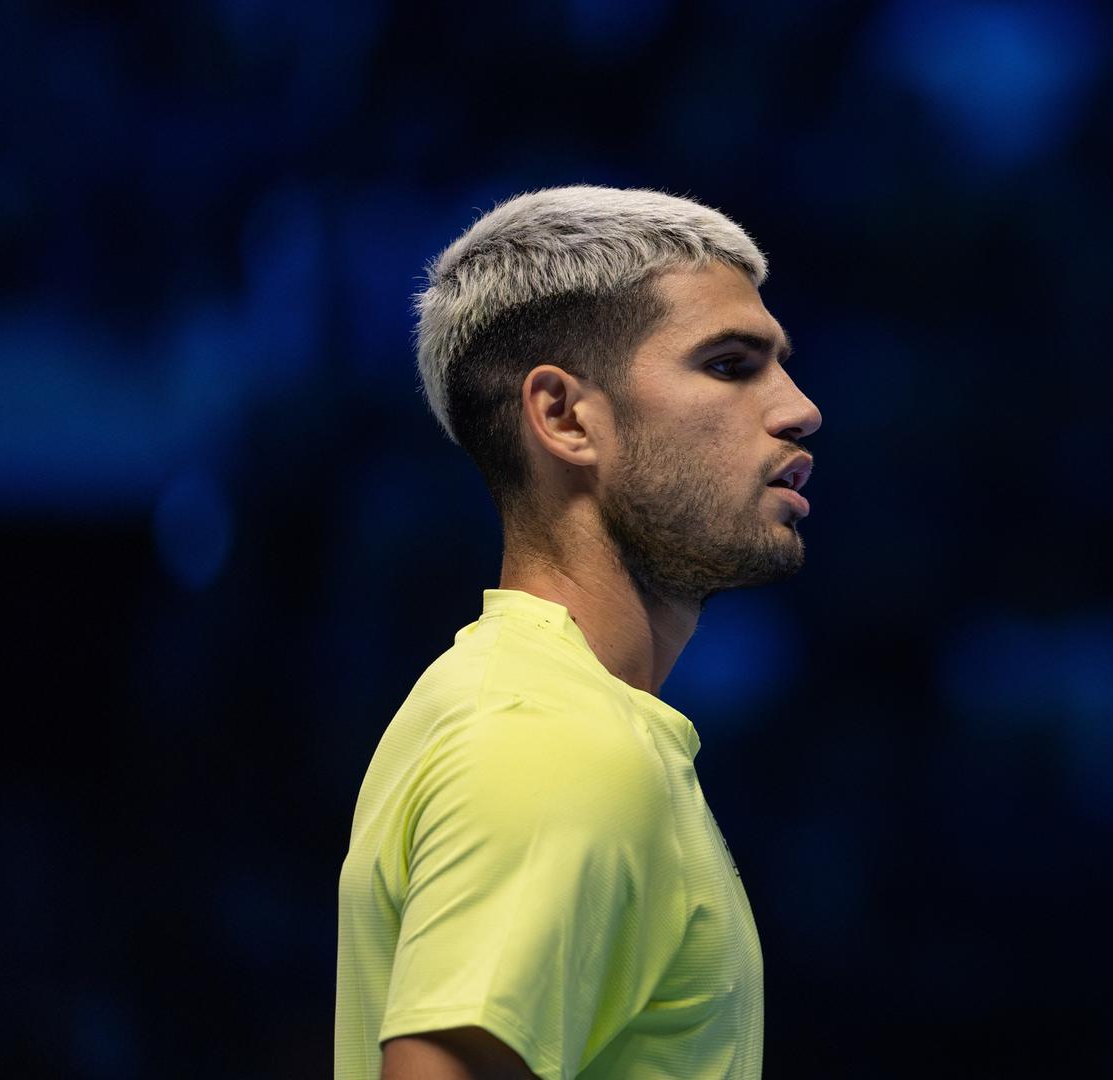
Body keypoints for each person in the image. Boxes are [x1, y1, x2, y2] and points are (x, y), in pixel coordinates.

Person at [334, 185, 821, 1080]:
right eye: (729, 364)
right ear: (563, 417)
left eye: (780, 363)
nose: (798, 409)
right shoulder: (552, 742)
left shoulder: (515, 707)